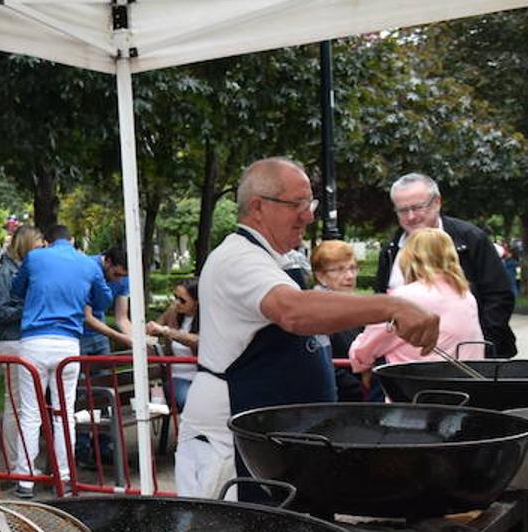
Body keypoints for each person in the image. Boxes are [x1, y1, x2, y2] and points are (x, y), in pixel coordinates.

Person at [175, 158, 439, 501]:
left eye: (309, 203)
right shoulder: (237, 258)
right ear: (258, 207)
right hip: (238, 436)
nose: (309, 215)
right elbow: (292, 311)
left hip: (280, 437)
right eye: (297, 204)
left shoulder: (279, 259)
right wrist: (391, 306)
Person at [10, 224, 113, 497]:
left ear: (47, 241)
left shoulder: (34, 258)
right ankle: (65, 479)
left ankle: (25, 479)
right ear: (73, 239)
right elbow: (104, 301)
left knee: (30, 414)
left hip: (33, 342)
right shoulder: (87, 263)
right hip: (68, 344)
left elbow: (16, 290)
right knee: (64, 414)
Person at [374, 173, 516, 357]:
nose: (411, 216)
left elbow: (499, 296)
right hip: (406, 365)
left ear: (437, 202)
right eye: (402, 210)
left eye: (418, 207)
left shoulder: (471, 240)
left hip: (469, 360)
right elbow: (382, 304)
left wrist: (483, 347)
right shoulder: (391, 250)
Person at [349, 228, 485, 370]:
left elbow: (366, 349)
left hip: (416, 385)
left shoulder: (404, 298)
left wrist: (358, 359)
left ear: (409, 257)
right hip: (465, 382)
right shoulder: (465, 296)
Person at [0, 224, 44, 483]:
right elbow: (3, 314)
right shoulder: (5, 273)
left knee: (26, 407)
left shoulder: (25, 270)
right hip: (13, 342)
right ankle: (16, 465)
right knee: (15, 407)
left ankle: (24, 464)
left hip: (26, 341)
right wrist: (32, 306)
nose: (41, 249)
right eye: (37, 245)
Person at [309, 241, 376, 402]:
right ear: (320, 276)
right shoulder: (316, 311)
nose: (350, 276)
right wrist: (363, 391)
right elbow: (321, 363)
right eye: (339, 270)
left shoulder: (354, 305)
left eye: (352, 268)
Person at [146, 278, 199, 410]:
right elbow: (153, 329)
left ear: (197, 302)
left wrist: (166, 331)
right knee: (189, 403)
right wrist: (152, 330)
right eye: (175, 297)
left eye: (182, 300)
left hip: (202, 377)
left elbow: (197, 340)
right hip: (178, 378)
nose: (177, 303)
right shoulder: (173, 313)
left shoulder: (207, 317)